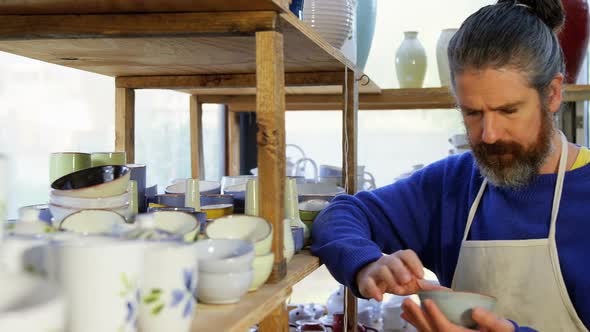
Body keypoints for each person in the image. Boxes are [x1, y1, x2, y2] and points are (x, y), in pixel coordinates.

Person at [311, 0, 590, 331]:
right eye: (472, 113)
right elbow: (340, 214)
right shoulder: (453, 184)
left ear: (553, 94)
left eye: (508, 111)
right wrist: (367, 263)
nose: (488, 135)